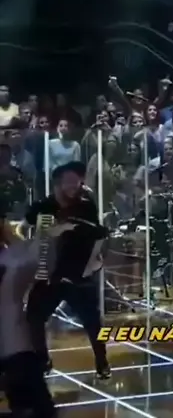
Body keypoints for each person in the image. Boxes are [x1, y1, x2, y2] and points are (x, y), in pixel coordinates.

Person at [23, 161, 111, 379]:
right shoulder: (44, 207)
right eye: (69, 181)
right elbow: (25, 225)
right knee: (33, 316)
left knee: (92, 320)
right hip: (50, 274)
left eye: (77, 181)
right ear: (58, 184)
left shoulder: (86, 205)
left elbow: (95, 233)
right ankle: (43, 359)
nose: (74, 185)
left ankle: (102, 360)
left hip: (78, 274)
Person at [0, 208, 56, 417]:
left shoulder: (9, 261)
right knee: (38, 410)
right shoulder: (11, 262)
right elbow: (41, 261)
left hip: (15, 351)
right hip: (15, 350)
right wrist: (45, 225)